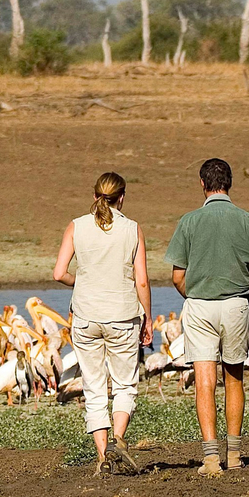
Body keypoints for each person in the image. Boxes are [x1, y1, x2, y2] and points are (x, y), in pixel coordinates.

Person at [163, 158, 249, 476]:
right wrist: (244, 297)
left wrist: (196, 296)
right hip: (237, 304)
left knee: (205, 381)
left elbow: (177, 277)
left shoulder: (188, 221)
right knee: (234, 378)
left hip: (199, 305)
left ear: (202, 184)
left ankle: (211, 458)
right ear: (230, 183)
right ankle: (234, 455)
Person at [53, 171, 153, 476]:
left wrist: (82, 282)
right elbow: (142, 281)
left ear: (95, 196)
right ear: (121, 198)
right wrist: (148, 318)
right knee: (125, 384)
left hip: (85, 317)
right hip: (122, 316)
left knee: (94, 388)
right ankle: (118, 440)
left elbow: (59, 273)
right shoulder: (133, 229)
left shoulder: (76, 226)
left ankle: (102, 458)